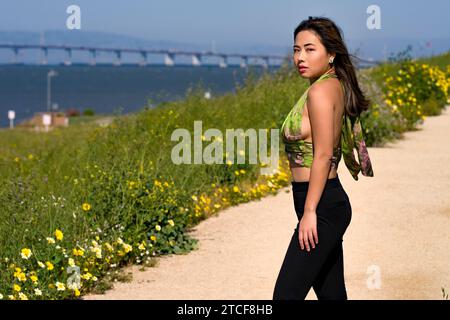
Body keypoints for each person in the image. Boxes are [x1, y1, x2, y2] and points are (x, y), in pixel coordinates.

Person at [272, 16, 374, 300]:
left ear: (331, 54)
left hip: (321, 206)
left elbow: (324, 155)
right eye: (296, 50)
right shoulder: (333, 84)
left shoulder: (319, 91)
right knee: (332, 295)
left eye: (309, 49)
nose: (299, 57)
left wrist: (309, 212)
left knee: (285, 296)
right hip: (323, 201)